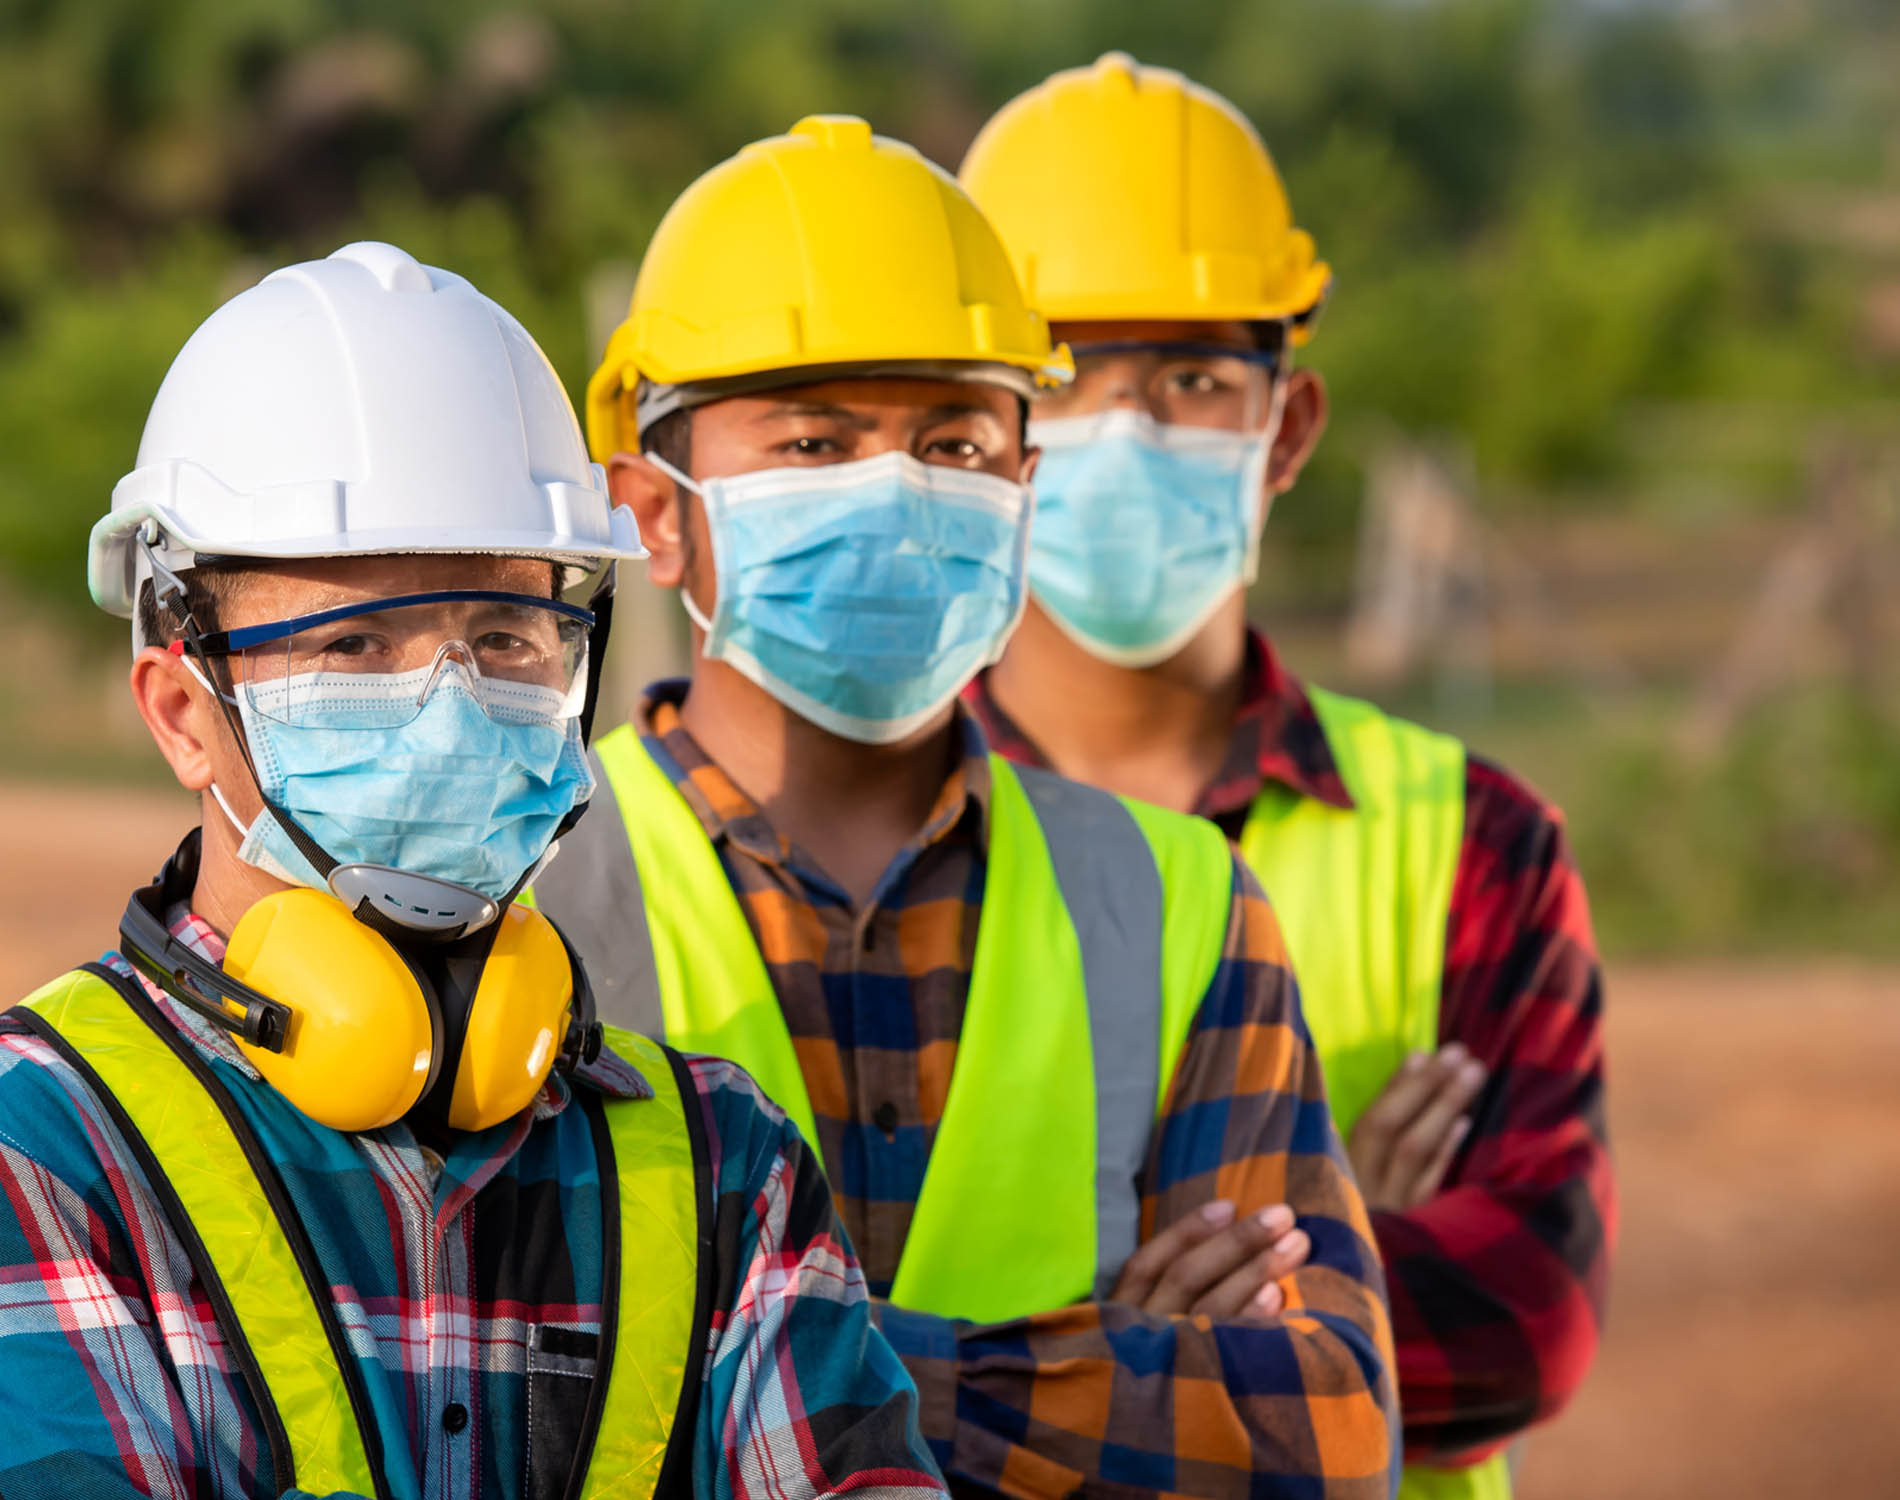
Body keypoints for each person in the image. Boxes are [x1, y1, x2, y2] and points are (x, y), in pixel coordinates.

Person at [533, 116, 1398, 1500]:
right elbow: (483, 1406)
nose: (896, 490)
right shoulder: (523, 895)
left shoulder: (1178, 903)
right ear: (656, 513)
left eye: (953, 440)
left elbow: (1327, 1436)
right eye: (815, 442)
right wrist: (1104, 1362)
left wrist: (749, 1369)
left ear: (1023, 489)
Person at [0, 241, 944, 1500]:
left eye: (506, 636)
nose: (447, 705)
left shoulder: (726, 1162)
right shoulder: (42, 1145)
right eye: (356, 641)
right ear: (180, 710)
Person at [957, 53, 1616, 1500]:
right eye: (1067, 379)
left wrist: (1042, 1343)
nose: (1126, 434)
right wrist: (1329, 1255)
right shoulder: (869, 831)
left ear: (1290, 430)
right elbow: (796, 1319)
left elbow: (1532, 1326)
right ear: (979, 432)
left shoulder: (1476, 843)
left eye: (1193, 377)